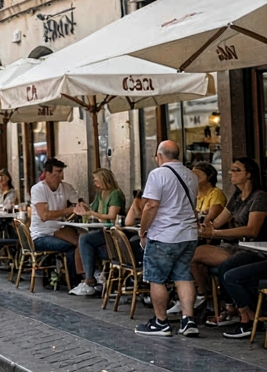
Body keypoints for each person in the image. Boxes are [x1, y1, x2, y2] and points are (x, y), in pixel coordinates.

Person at [135, 141, 201, 337]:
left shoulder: (158, 174)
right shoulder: (191, 175)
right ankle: (188, 320)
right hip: (188, 235)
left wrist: (143, 229)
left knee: (157, 279)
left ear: (159, 155)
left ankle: (161, 322)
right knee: (183, 276)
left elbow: (151, 205)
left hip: (164, 235)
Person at [197, 158, 267, 334]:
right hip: (233, 246)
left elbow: (252, 230)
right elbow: (218, 222)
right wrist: (202, 227)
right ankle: (202, 297)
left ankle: (240, 312)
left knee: (227, 269)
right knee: (192, 254)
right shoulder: (236, 196)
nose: (231, 174)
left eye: (236, 170)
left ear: (248, 174)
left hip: (254, 249)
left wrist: (216, 234)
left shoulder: (259, 197)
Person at [68, 168, 127, 296]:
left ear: (104, 180)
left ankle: (89, 279)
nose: (94, 183)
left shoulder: (115, 194)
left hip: (112, 232)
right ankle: (91, 274)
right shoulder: (100, 194)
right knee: (82, 236)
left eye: (96, 180)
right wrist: (84, 208)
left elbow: (111, 215)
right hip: (101, 230)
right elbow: (93, 209)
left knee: (85, 239)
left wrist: (90, 213)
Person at [29, 158, 82, 279]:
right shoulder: (38, 189)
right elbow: (44, 216)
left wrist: (80, 205)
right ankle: (73, 280)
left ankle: (87, 277)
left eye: (62, 171)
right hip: (41, 234)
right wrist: (69, 210)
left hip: (58, 229)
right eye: (57, 172)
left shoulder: (66, 187)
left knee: (83, 242)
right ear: (47, 173)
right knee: (71, 246)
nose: (61, 176)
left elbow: (78, 201)